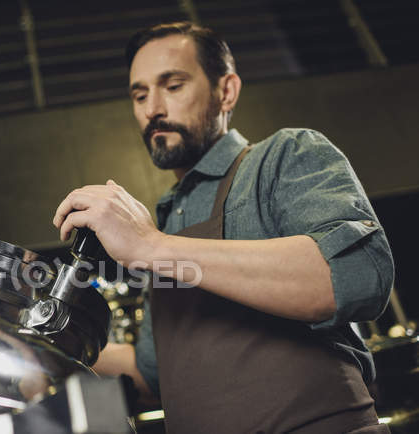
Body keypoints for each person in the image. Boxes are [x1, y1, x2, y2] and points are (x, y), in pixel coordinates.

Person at [52, 22, 394, 433]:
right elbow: (151, 374)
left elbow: (357, 275)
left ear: (226, 91)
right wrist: (31, 336)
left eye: (173, 86)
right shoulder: (162, 221)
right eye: (139, 95)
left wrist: (151, 245)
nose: (152, 108)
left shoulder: (284, 155)